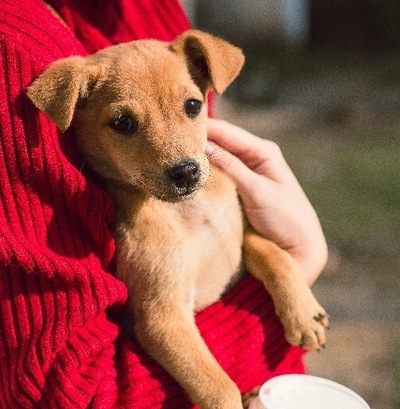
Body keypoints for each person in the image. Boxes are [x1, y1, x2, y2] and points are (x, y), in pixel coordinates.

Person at [0, 0, 327, 407]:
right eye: (125, 124)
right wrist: (306, 256)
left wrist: (286, 269)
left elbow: (244, 248)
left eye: (191, 107)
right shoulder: (15, 51)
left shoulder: (154, 11)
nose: (178, 158)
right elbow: (78, 382)